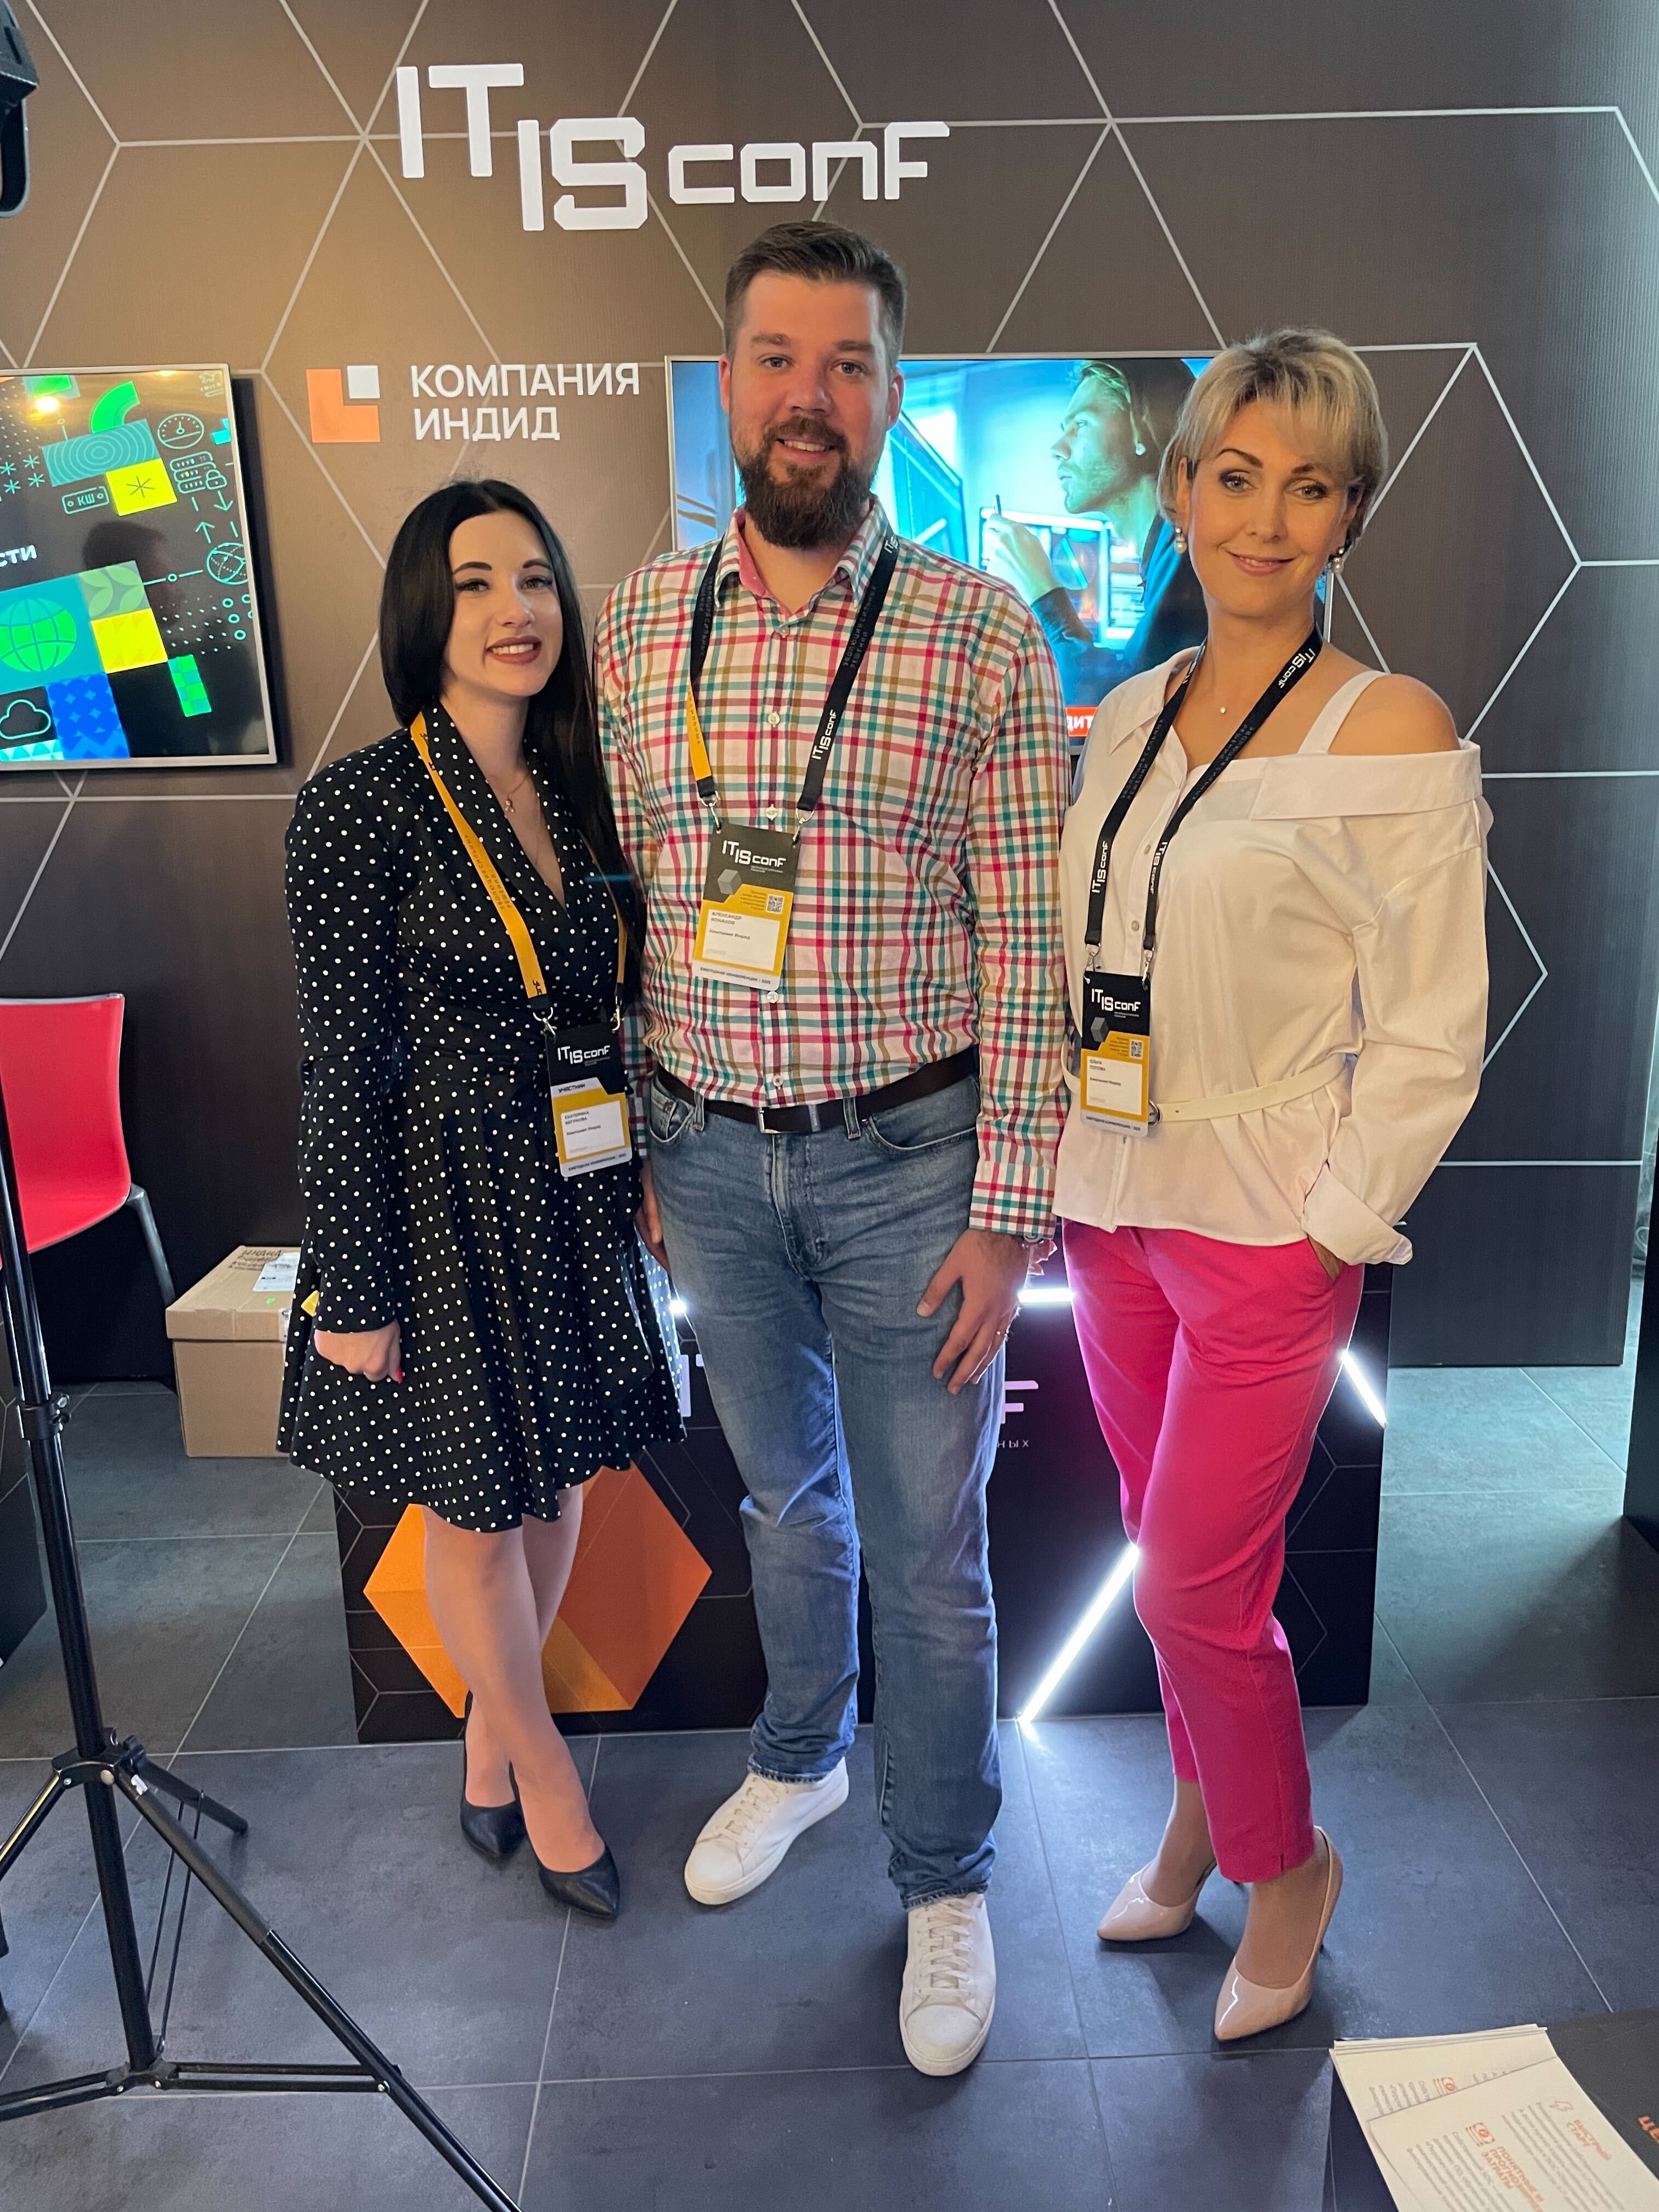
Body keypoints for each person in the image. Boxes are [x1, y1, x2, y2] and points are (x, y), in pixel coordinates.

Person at [594, 220, 1069, 2076]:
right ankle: (799, 1755)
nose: (812, 395)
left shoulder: (978, 629)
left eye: (849, 363)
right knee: (785, 1503)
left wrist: (1008, 1216)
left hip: (909, 1171)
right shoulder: (641, 625)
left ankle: (943, 1875)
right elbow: (638, 909)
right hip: (710, 1161)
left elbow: (1028, 945)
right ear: (729, 386)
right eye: (780, 359)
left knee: (930, 1555)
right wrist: (651, 1143)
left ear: (889, 394)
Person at [1057, 330, 1488, 2041]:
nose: (1263, 516)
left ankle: (1287, 1863)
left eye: (1309, 486)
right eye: (1234, 475)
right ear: (1180, 492)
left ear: (1349, 518)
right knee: (1161, 1557)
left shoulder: (1391, 727)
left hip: (1267, 1224)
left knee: (1191, 1586)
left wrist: (1333, 1221)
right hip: (1115, 1205)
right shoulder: (1135, 710)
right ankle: (1203, 1818)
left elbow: (1434, 1027)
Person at [279, 479, 682, 1923]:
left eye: (536, 579)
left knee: (560, 1476)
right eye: (474, 583)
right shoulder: (359, 806)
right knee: (473, 1511)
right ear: (421, 611)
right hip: (441, 1199)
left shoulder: (582, 790)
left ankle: (489, 1738)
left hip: (571, 1184)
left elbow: (606, 1012)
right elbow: (342, 1060)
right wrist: (354, 1286)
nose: (515, 610)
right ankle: (544, 1774)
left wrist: (639, 1166)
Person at [985, 358, 1204, 706]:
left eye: (1082, 424)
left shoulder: (1189, 557)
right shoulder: (1172, 549)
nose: (1058, 449)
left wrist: (1041, 591)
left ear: (1141, 432)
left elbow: (1120, 711)